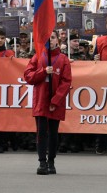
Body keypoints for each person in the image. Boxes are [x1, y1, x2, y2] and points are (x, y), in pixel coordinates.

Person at [24, 30, 72, 175]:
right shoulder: (37, 57)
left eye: (52, 38)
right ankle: (42, 162)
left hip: (54, 103)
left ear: (57, 40)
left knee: (53, 133)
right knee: (41, 132)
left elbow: (66, 82)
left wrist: (55, 100)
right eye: (47, 38)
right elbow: (28, 76)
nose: (50, 40)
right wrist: (43, 71)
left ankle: (51, 161)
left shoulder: (63, 59)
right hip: (40, 100)